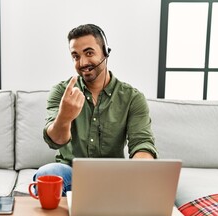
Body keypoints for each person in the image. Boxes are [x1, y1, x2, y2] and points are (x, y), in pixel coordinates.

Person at [34, 24, 158, 195]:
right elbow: (55, 140)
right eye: (75, 56)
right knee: (47, 174)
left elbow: (142, 144)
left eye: (89, 53)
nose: (83, 62)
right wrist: (64, 116)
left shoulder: (132, 98)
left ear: (106, 52)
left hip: (114, 177)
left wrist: (137, 172)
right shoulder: (62, 92)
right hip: (70, 173)